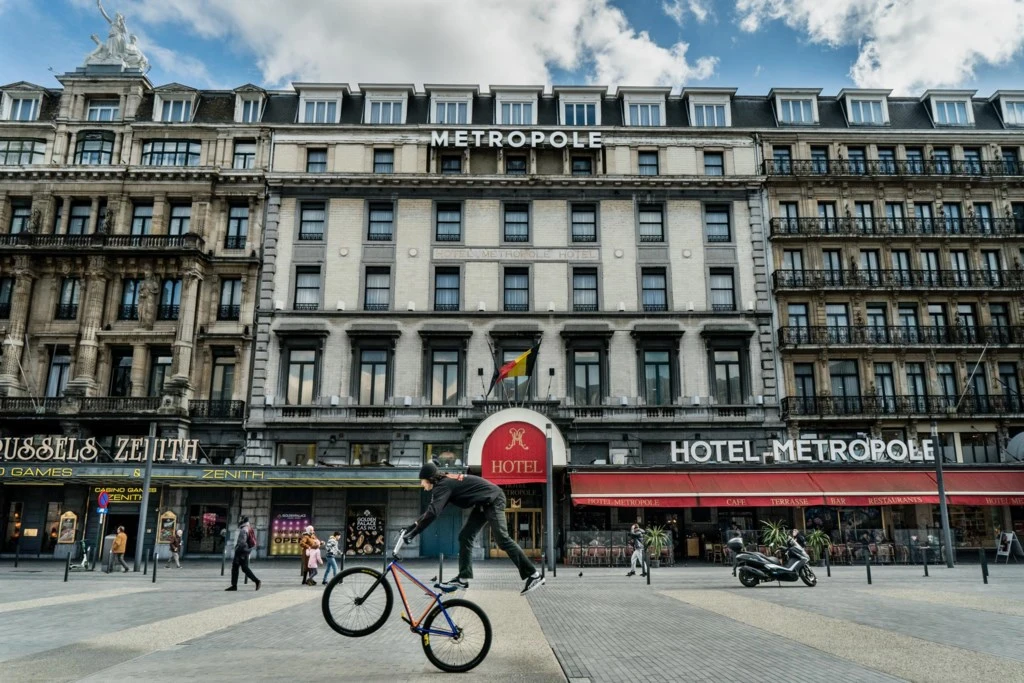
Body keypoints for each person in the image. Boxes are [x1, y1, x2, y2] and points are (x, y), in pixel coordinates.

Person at [404, 462, 544, 595]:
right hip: (483, 503)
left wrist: (414, 533)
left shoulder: (442, 485)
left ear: (429, 478)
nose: (422, 485)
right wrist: (411, 527)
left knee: (502, 538)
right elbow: (432, 511)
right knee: (465, 536)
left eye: (422, 481)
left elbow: (433, 512)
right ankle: (463, 579)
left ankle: (534, 575)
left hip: (493, 499)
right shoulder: (445, 483)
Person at [225, 515, 261, 591]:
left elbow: (242, 542)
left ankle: (234, 586)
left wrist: (237, 550)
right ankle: (256, 581)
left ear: (243, 520)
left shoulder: (244, 529)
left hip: (241, 552)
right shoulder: (249, 528)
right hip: (246, 551)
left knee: (235, 568)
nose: (239, 521)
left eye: (240, 520)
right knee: (244, 568)